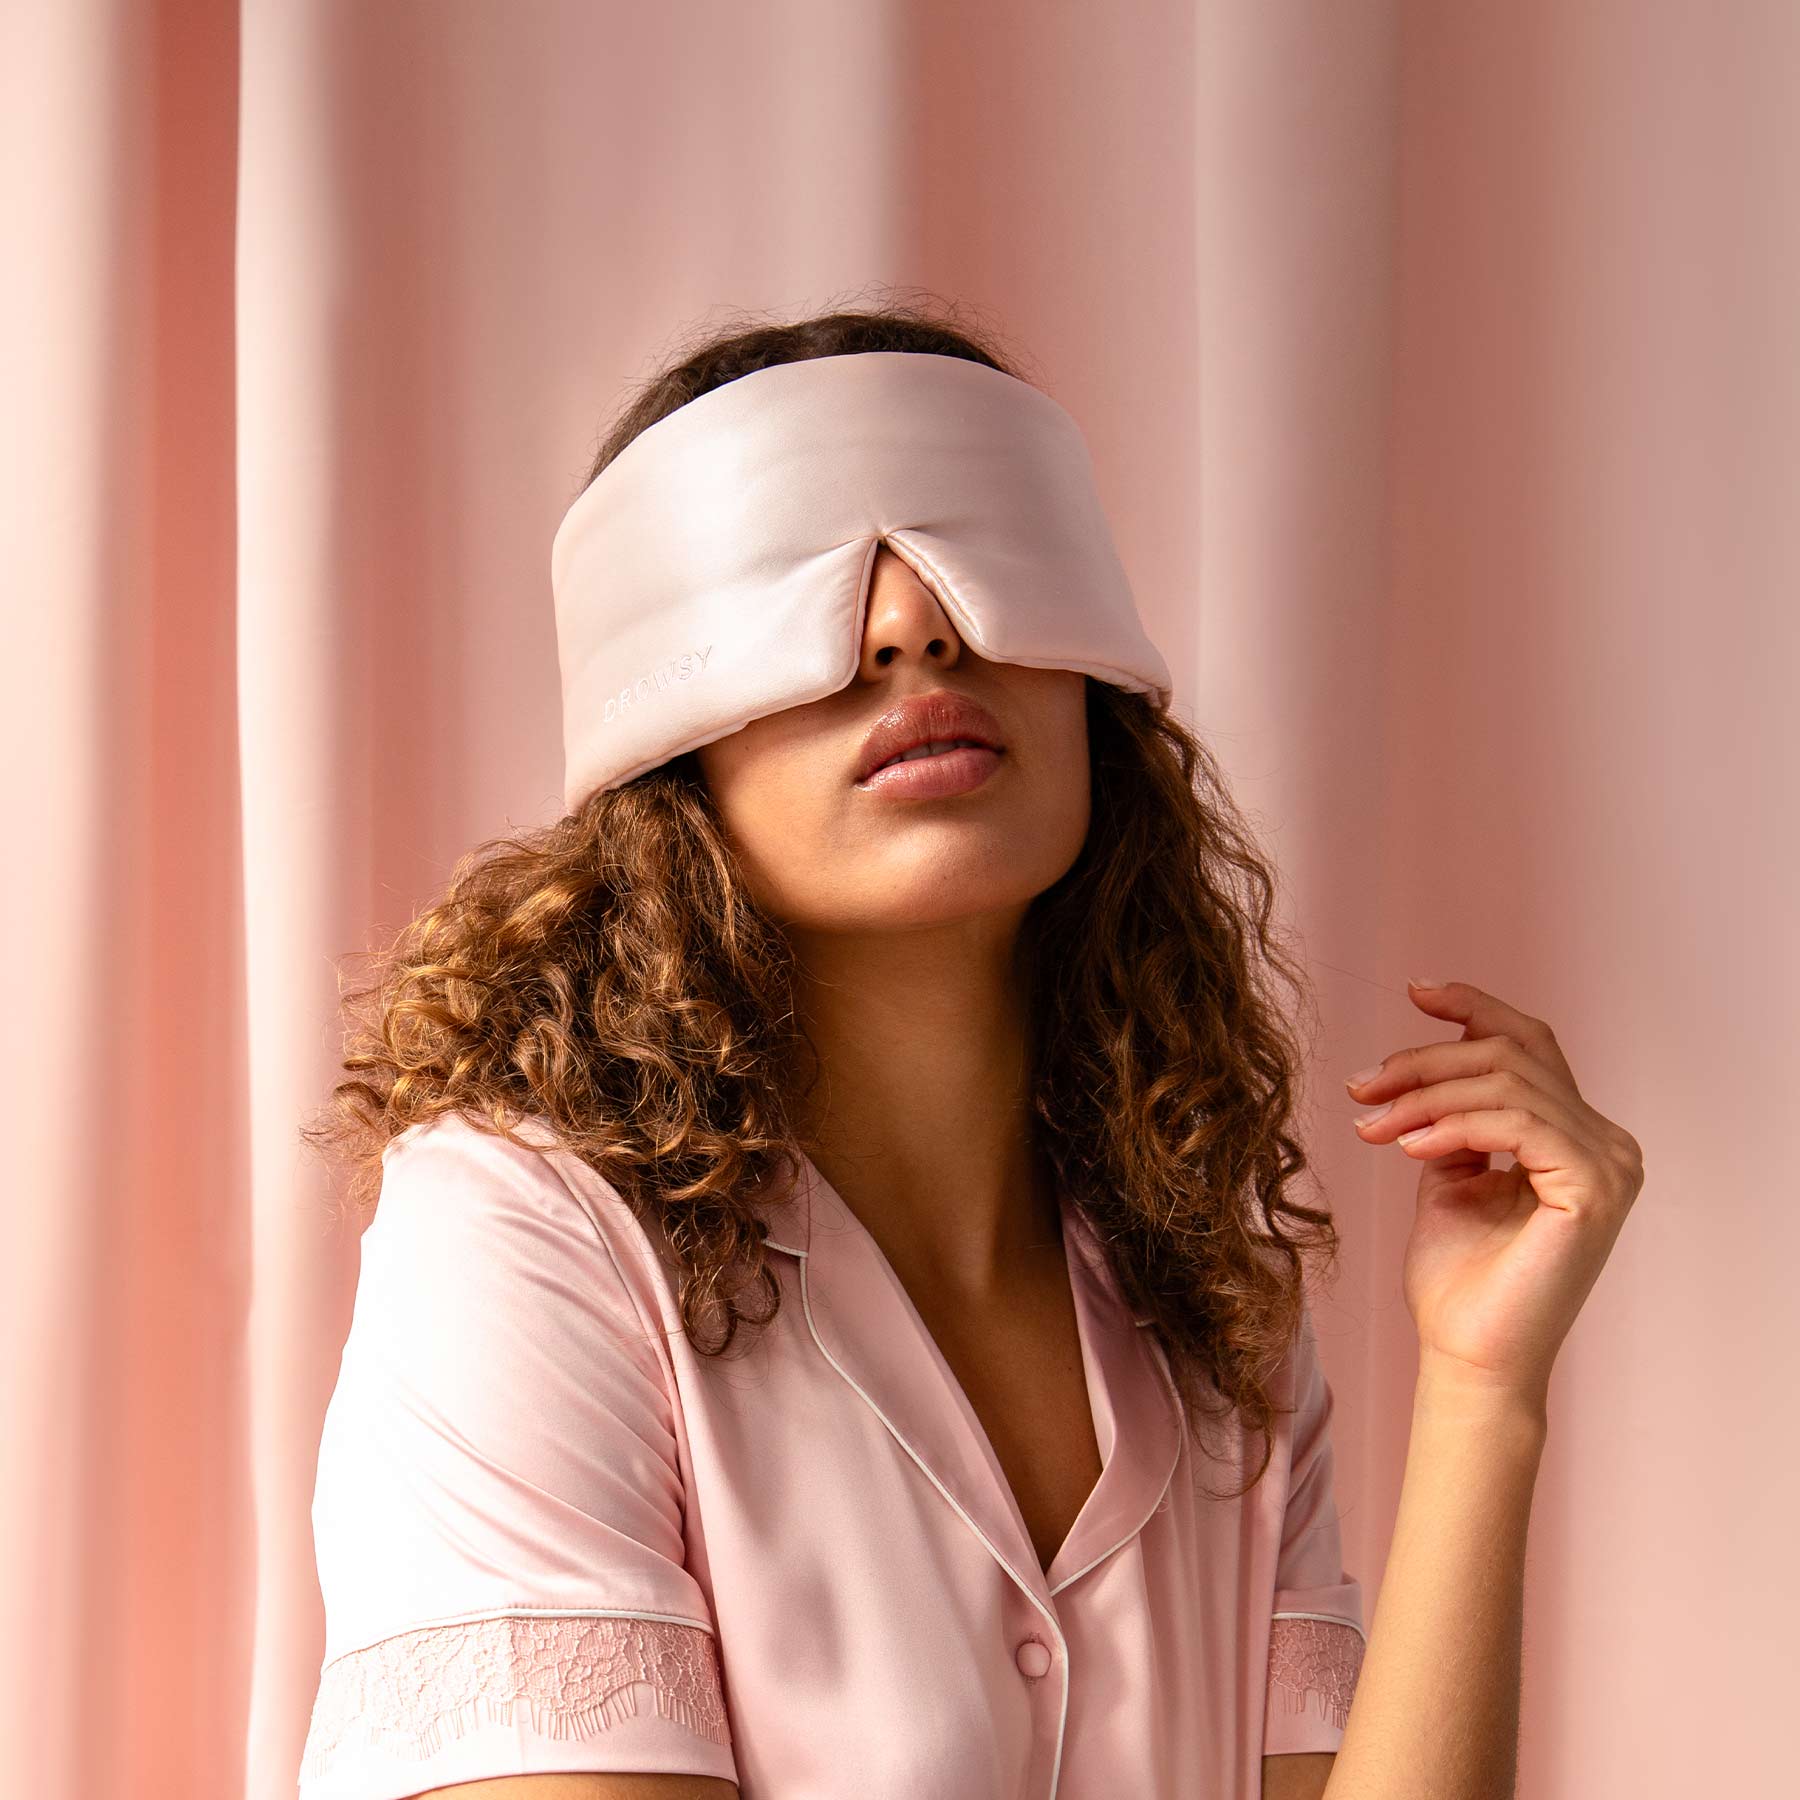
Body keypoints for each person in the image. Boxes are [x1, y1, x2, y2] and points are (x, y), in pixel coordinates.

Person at [294, 303, 1645, 1800]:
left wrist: (1483, 1384)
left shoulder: (1209, 1300)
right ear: (666, 754)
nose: (911, 627)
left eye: (975, 557)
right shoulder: (523, 1235)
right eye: (795, 579)